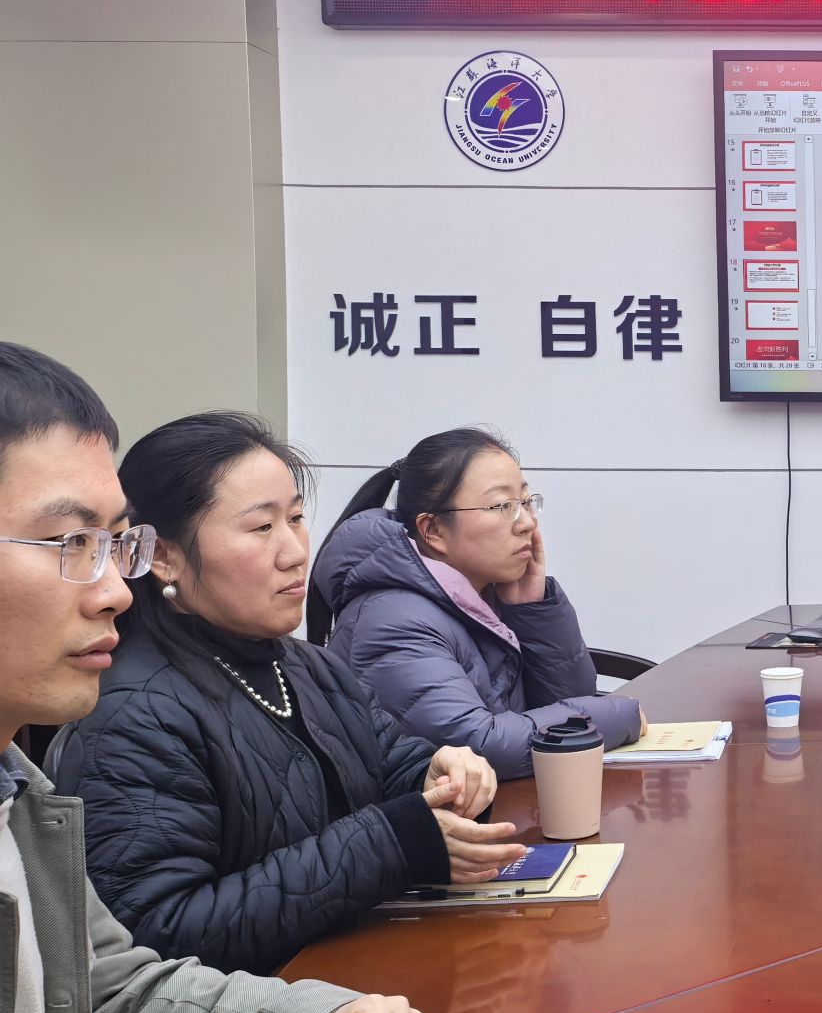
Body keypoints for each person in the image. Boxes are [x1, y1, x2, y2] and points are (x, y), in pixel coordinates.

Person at [0, 342, 440, 1013]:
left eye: (112, 542)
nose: (111, 588)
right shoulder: (129, 714)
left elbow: (114, 997)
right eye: (68, 543)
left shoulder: (18, 789)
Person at [50, 412, 523, 976]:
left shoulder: (309, 667)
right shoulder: (131, 712)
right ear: (164, 557)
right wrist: (391, 843)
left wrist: (446, 778)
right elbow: (158, 937)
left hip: (363, 984)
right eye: (260, 527)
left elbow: (395, 770)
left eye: (296, 518)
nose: (295, 551)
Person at [310, 428, 643, 779]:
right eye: (503, 506)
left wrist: (532, 611)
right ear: (433, 530)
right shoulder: (392, 620)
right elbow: (480, 746)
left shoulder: (481, 593)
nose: (528, 523)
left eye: (526, 502)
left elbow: (569, 701)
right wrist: (617, 717)